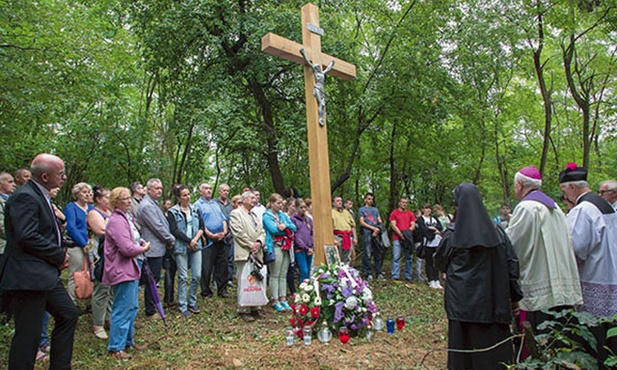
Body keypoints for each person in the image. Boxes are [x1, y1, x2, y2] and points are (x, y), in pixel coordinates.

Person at [0, 153, 78, 369]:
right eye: (60, 174)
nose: (63, 178)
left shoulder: (41, 195)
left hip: (44, 275)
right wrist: (59, 255)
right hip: (27, 278)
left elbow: (46, 230)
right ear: (45, 176)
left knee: (68, 314)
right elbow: (27, 235)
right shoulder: (25, 197)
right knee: (28, 335)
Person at [434, 182, 523, 370]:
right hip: (493, 303)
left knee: (464, 356)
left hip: (462, 307)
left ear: (458, 205)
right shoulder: (497, 232)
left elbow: (440, 262)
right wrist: (515, 298)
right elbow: (512, 266)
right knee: (493, 358)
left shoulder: (452, 234)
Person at [506, 166, 582, 335]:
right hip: (560, 280)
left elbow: (514, 246)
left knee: (538, 334)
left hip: (538, 280)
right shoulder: (554, 206)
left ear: (519, 184)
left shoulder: (526, 208)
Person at [559, 163, 617, 363]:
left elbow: (575, 248)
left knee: (594, 338)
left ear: (572, 187)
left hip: (592, 278)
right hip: (611, 276)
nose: (564, 196)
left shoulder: (583, 210)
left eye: (564, 190)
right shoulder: (605, 205)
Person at [104, 187, 151, 359]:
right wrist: (143, 248)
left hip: (131, 268)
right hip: (121, 268)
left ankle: (128, 341)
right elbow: (126, 248)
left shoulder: (127, 218)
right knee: (123, 307)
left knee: (132, 306)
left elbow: (132, 239)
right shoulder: (116, 220)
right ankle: (116, 347)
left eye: (129, 198)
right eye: (124, 198)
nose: (129, 201)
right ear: (116, 202)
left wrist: (140, 242)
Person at [136, 178, 175, 319]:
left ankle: (151, 306)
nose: (159, 191)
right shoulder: (147, 206)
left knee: (153, 278)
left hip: (158, 247)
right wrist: (170, 238)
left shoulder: (153, 204)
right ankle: (150, 310)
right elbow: (157, 227)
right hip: (152, 248)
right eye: (156, 188)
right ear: (149, 189)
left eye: (160, 188)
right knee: (151, 280)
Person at [167, 185, 204, 317]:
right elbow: (174, 230)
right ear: (178, 197)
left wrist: (195, 240)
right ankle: (182, 305)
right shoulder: (172, 212)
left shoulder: (195, 209)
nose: (187, 197)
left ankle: (192, 300)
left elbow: (201, 226)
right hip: (181, 247)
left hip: (196, 246)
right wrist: (189, 241)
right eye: (184, 195)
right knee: (183, 277)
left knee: (197, 275)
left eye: (188, 194)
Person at [229, 190, 266, 322]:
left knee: (256, 280)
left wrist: (259, 243)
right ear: (243, 200)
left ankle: (255, 307)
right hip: (245, 253)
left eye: (254, 198)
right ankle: (243, 308)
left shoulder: (255, 215)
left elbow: (262, 231)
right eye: (251, 198)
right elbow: (238, 232)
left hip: (257, 252)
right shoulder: (235, 214)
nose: (254, 200)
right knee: (244, 280)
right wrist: (250, 245)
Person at [86, 185, 114, 340]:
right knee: (101, 288)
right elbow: (101, 231)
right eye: (106, 197)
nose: (109, 200)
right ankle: (98, 324)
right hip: (100, 255)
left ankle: (108, 318)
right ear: (98, 199)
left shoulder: (111, 213)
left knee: (111, 289)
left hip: (114, 255)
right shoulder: (93, 213)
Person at [194, 183, 229, 299]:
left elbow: (223, 219)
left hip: (221, 239)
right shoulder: (198, 205)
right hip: (208, 241)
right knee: (206, 267)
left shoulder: (215, 204)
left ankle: (222, 289)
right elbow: (200, 223)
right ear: (200, 191)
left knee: (222, 265)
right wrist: (211, 235)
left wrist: (224, 231)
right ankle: (206, 292)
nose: (209, 190)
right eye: (206, 188)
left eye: (210, 188)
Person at [263, 193, 297, 312]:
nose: (280, 205)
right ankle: (275, 299)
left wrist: (285, 226)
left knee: (283, 273)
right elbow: (273, 230)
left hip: (286, 247)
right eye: (278, 203)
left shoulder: (283, 215)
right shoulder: (267, 215)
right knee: (275, 273)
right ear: (272, 203)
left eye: (281, 203)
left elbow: (294, 227)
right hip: (275, 246)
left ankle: (283, 298)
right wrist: (286, 231)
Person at [64, 182, 94, 305]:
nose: (87, 195)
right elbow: (71, 227)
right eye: (84, 192)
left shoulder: (92, 208)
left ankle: (90, 302)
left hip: (92, 244)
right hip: (76, 244)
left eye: (88, 192)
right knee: (75, 273)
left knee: (91, 273)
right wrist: (83, 243)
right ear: (77, 194)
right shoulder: (71, 207)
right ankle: (72, 303)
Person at [300, 48, 335, 126]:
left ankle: (321, 117)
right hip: (317, 89)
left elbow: (328, 69)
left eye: (318, 67)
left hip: (322, 90)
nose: (318, 67)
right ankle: (320, 118)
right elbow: (309, 63)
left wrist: (332, 64)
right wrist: (303, 54)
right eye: (316, 67)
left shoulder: (322, 73)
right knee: (321, 104)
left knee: (323, 105)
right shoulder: (316, 73)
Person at [389, 197, 416, 281]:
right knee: (396, 256)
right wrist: (401, 234)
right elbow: (393, 225)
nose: (404, 204)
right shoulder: (394, 213)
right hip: (397, 237)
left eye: (406, 202)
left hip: (408, 238)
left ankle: (408, 276)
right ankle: (395, 275)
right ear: (399, 203)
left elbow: (413, 225)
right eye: (403, 202)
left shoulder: (410, 214)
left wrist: (407, 233)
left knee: (409, 257)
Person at [417, 203, 443, 288]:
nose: (428, 210)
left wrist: (434, 229)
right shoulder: (421, 219)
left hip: (437, 243)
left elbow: (440, 227)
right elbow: (423, 229)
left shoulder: (434, 218)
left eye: (429, 208)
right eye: (426, 208)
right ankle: (431, 280)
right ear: (423, 210)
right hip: (427, 243)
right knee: (429, 261)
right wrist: (433, 232)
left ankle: (437, 280)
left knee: (436, 261)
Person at [358, 193, 384, 280]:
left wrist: (377, 229)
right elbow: (362, 222)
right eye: (369, 199)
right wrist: (372, 228)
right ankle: (368, 272)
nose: (370, 201)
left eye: (372, 199)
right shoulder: (362, 209)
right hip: (366, 232)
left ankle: (378, 272)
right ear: (365, 199)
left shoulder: (375, 210)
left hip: (376, 232)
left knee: (378, 253)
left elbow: (379, 221)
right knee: (367, 253)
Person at [214, 183, 235, 288]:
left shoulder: (231, 205)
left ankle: (229, 279)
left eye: (227, 191)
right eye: (224, 190)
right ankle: (216, 280)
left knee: (230, 258)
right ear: (219, 191)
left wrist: (230, 232)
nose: (226, 192)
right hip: (218, 235)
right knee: (218, 259)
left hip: (230, 234)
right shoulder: (214, 203)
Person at [291, 198, 314, 284]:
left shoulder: (309, 220)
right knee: (303, 271)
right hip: (300, 249)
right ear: (296, 208)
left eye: (304, 207)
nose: (303, 209)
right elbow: (296, 236)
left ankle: (308, 292)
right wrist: (305, 247)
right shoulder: (293, 219)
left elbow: (312, 233)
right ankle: (302, 290)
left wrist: (311, 246)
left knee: (308, 271)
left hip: (309, 249)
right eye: (301, 207)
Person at [160, 197, 176, 308]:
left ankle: (171, 297)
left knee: (173, 272)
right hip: (166, 248)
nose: (169, 206)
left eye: (170, 204)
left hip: (174, 247)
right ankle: (167, 298)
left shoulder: (173, 215)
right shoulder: (161, 217)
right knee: (168, 274)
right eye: (167, 204)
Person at [332, 196, 357, 264]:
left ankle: (346, 272)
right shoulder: (331, 213)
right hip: (338, 236)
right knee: (338, 257)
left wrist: (355, 237)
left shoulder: (346, 212)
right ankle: (338, 272)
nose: (340, 202)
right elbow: (329, 227)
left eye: (341, 201)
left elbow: (352, 225)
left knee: (348, 257)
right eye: (337, 201)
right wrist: (333, 238)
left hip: (348, 236)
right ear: (333, 203)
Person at [0, 172, 16, 257]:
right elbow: (2, 226)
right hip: (3, 248)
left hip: (12, 248)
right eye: (10, 182)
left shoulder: (13, 199)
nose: (14, 184)